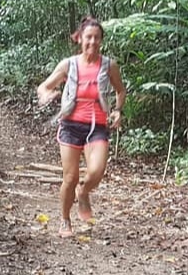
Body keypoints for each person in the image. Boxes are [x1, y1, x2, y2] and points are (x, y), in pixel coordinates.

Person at [36, 17, 126, 238]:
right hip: (71, 125)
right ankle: (65, 220)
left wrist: (117, 110)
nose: (92, 42)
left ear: (101, 41)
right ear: (80, 39)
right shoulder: (69, 64)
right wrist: (48, 94)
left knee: (97, 171)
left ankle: (84, 192)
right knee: (70, 177)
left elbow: (120, 91)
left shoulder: (109, 65)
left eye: (97, 38)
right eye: (88, 37)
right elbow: (43, 87)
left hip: (97, 125)